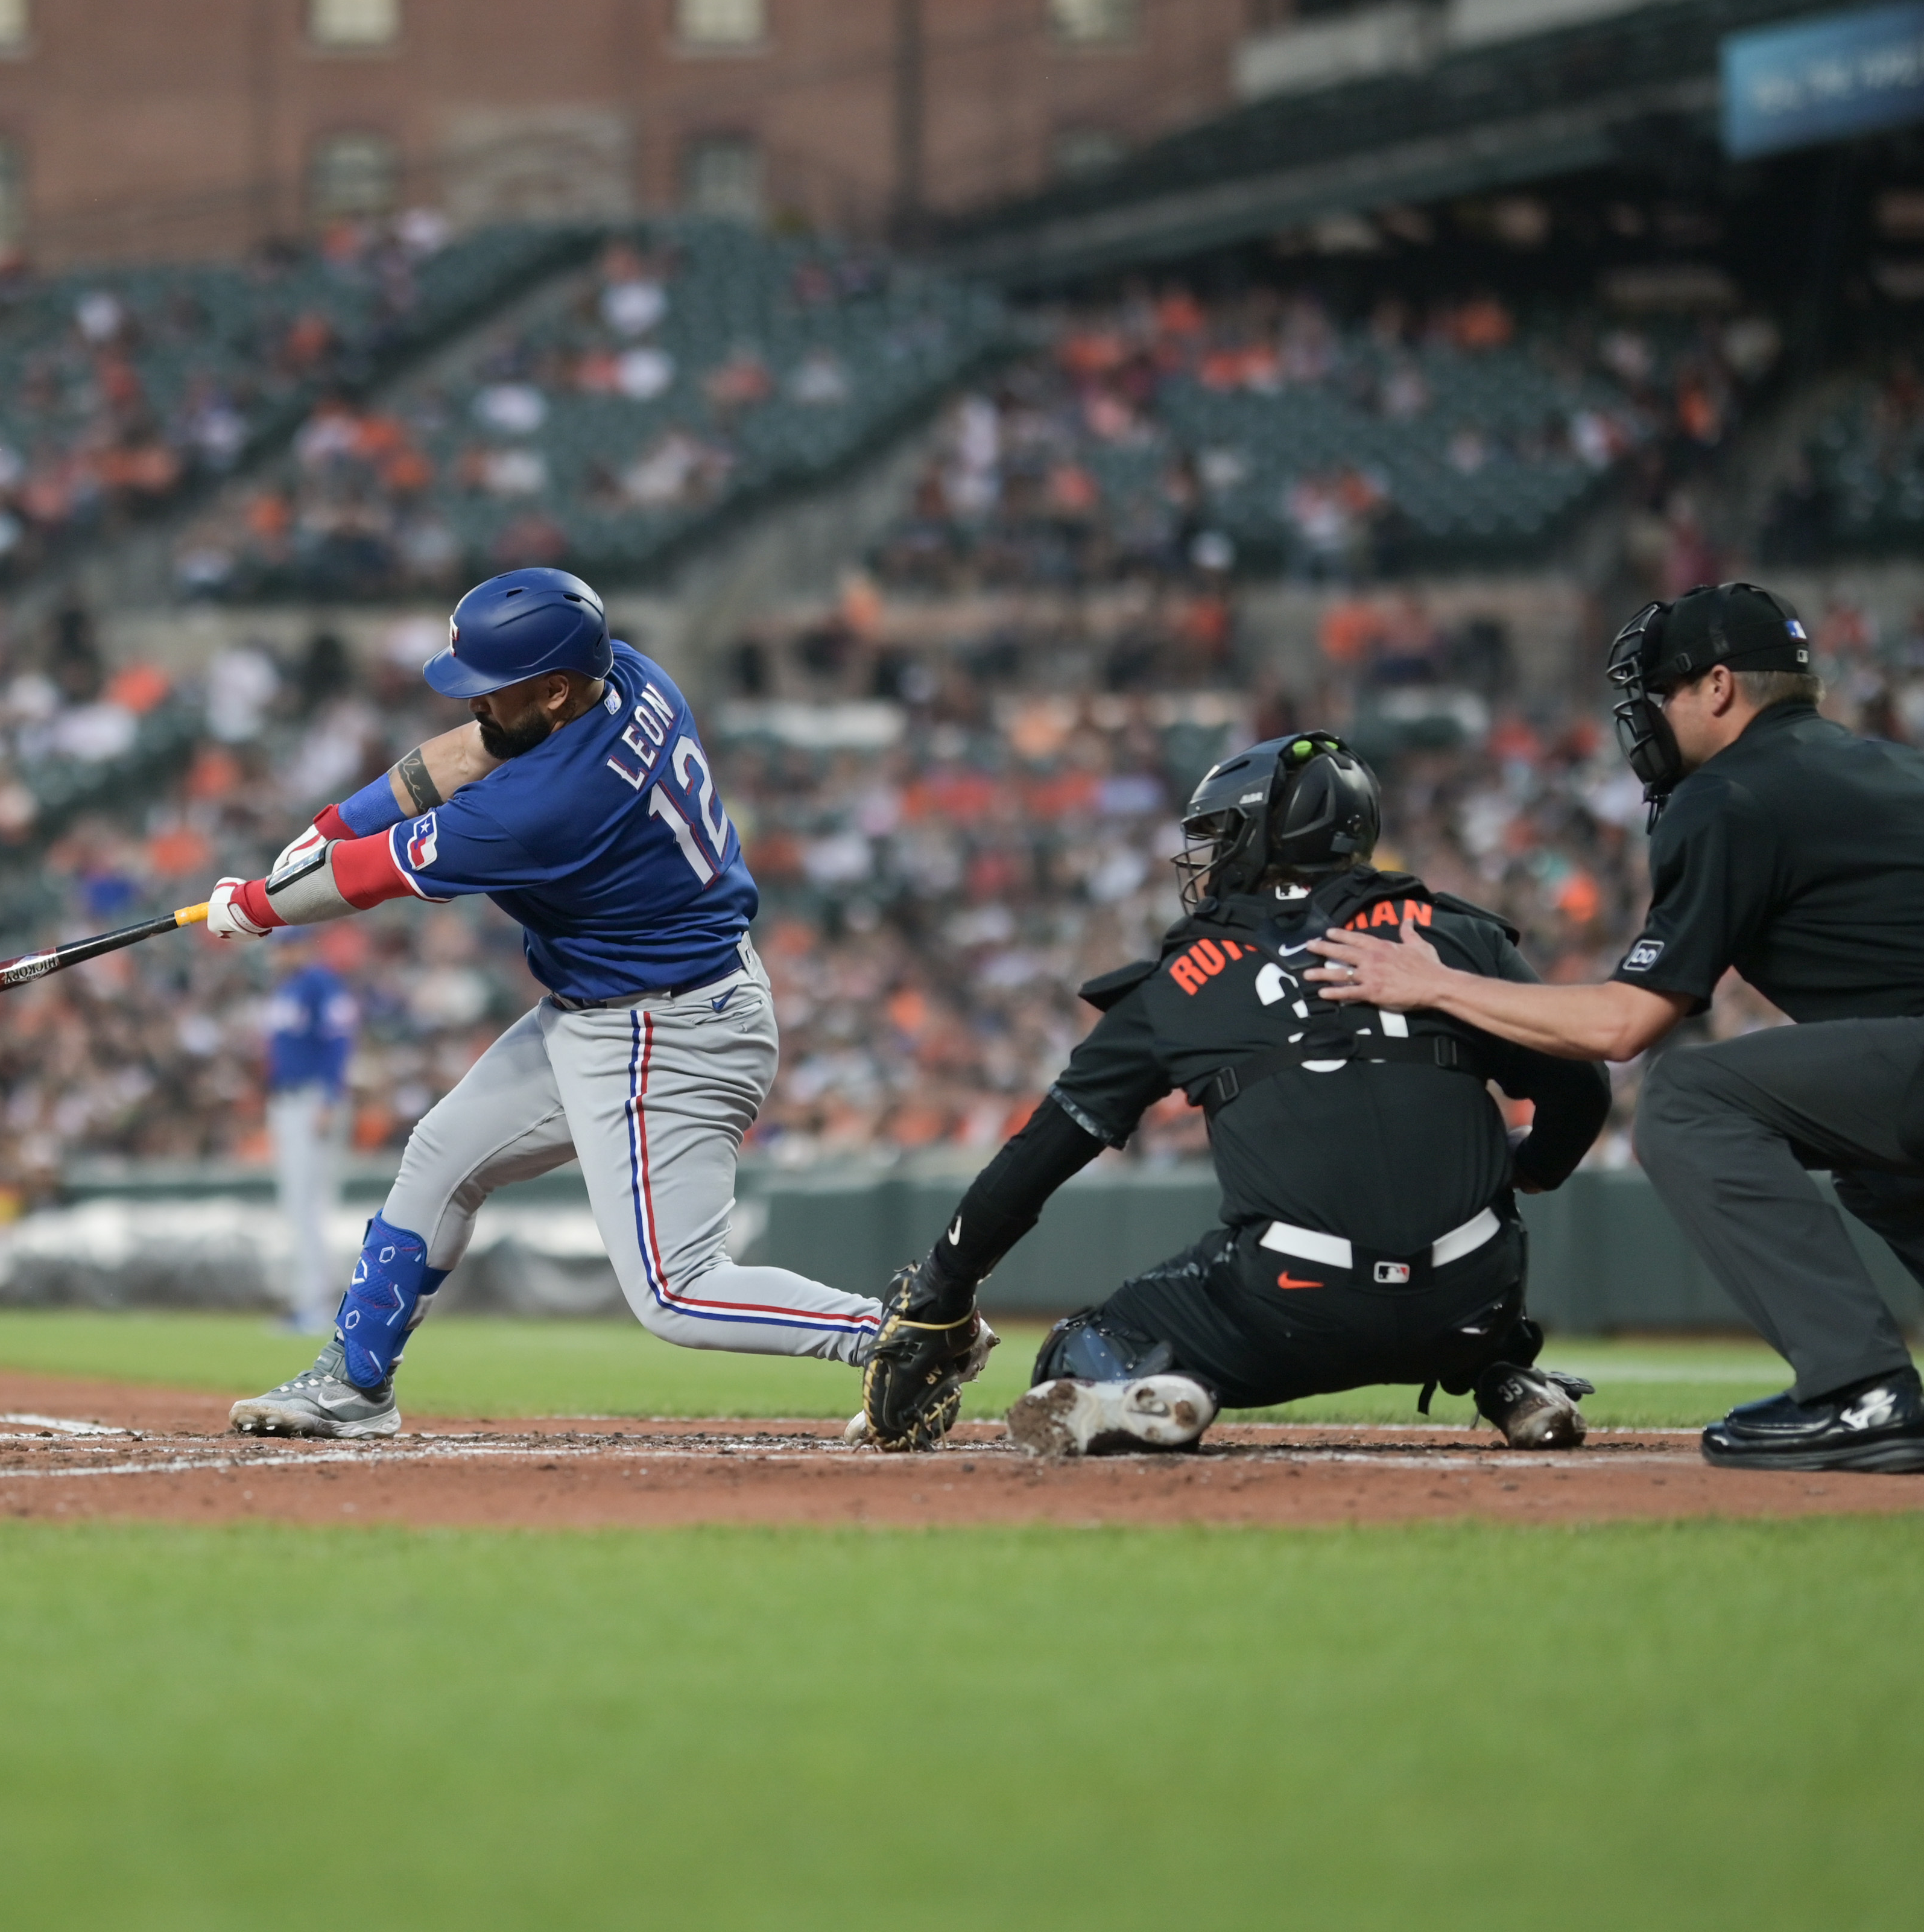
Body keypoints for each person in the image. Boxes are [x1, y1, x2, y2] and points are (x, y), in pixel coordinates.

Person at [1306, 584, 1924, 1474]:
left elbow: (1625, 1025)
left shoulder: (1731, 793)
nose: (1648, 715)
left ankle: (1856, 1388)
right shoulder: (1885, 764)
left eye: (1660, 692)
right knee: (1884, 1159)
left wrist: (1431, 982)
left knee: (1688, 1097)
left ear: (1718, 686)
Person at [204, 568, 964, 1437]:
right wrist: (326, 828)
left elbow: (369, 876)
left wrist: (258, 905)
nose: (478, 704)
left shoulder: (547, 806)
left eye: (495, 689)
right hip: (609, 1005)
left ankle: (906, 1335)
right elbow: (460, 754)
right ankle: (355, 1384)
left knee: (677, 1291)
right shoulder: (627, 674)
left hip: (666, 1029)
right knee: (442, 1157)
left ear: (555, 689)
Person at [855, 733, 1613, 1457]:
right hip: (1469, 1302)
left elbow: (1041, 1154)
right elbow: (1581, 1080)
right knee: (1473, 1234)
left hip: (1290, 1305)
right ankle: (1509, 1376)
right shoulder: (1454, 934)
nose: (1212, 854)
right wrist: (1535, 1166)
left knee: (1080, 1346)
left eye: (1224, 832)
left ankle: (1168, 1386)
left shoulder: (1184, 977)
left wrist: (941, 1287)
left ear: (1264, 833)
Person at [264, 933, 363, 1335]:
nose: (281, 954)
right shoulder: (288, 987)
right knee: (299, 1205)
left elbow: (339, 1042)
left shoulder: (321, 983)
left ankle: (316, 1303)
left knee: (310, 1205)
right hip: (288, 1101)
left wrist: (328, 1097)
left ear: (305, 947)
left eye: (288, 947)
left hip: (313, 1102)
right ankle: (309, 1299)